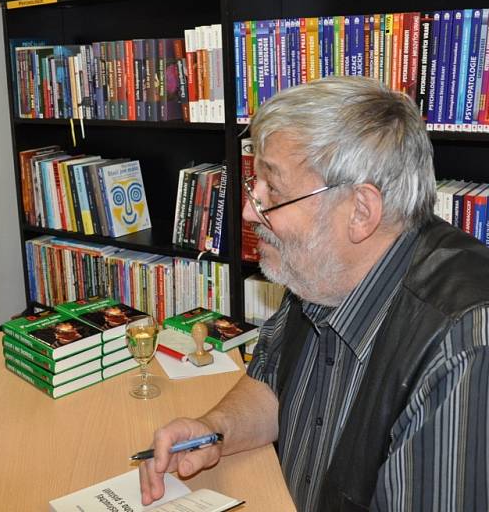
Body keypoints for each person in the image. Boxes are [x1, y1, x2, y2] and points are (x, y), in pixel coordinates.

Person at [139, 76, 489, 511]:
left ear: (361, 211)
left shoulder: (465, 346)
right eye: (255, 186)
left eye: (274, 191)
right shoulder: (323, 265)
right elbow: (272, 382)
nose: (249, 210)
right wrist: (214, 431)